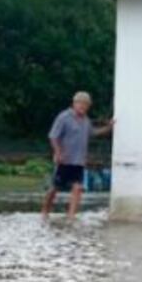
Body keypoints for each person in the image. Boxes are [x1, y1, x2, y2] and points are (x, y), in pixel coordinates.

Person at [43, 92, 115, 220]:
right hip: (64, 160)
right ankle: (45, 212)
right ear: (74, 103)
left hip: (79, 161)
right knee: (55, 188)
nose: (83, 106)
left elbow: (93, 132)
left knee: (77, 187)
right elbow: (53, 136)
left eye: (86, 104)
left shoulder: (86, 120)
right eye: (80, 103)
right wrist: (58, 152)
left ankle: (71, 215)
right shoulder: (64, 117)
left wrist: (108, 127)